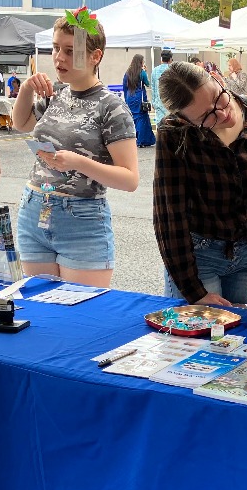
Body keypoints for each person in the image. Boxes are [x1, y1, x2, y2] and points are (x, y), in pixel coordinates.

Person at [11, 17, 139, 288]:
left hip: (81, 219)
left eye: (70, 51)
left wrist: (77, 161)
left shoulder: (111, 106)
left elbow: (129, 179)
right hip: (35, 209)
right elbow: (20, 123)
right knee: (40, 311)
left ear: (96, 56)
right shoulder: (55, 94)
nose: (59, 58)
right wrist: (26, 88)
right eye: (56, 48)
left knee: (80, 314)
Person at [154, 62, 247, 305]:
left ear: (217, 79)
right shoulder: (174, 133)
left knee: (246, 337)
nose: (223, 114)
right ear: (185, 120)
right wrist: (194, 292)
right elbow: (169, 216)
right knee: (198, 338)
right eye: (207, 116)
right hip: (199, 257)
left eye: (219, 99)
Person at [122, 54, 156, 147]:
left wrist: (126, 98)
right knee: (142, 118)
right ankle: (142, 140)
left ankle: (134, 138)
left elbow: (125, 87)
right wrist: (145, 71)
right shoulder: (142, 72)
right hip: (140, 98)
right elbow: (147, 84)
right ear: (140, 62)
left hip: (130, 97)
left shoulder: (127, 73)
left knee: (133, 118)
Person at [150, 49, 173, 126]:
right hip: (170, 104)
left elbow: (153, 87)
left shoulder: (155, 70)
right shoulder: (172, 70)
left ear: (161, 59)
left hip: (158, 103)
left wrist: (153, 102)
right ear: (170, 59)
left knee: (160, 127)